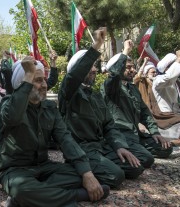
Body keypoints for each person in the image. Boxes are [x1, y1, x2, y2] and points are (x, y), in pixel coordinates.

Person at [0, 55, 110, 207]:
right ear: (24, 84)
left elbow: (65, 138)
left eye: (43, 79)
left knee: (84, 175)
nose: (44, 85)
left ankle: (31, 198)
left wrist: (86, 174)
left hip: (45, 167)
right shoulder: (8, 104)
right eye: (37, 80)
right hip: (15, 170)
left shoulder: (49, 108)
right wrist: (28, 73)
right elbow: (13, 117)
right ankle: (76, 196)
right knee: (22, 189)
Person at [59, 28, 142, 186]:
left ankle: (99, 167)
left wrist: (119, 146)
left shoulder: (95, 95)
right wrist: (96, 45)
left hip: (102, 146)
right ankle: (77, 169)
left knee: (137, 166)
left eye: (95, 67)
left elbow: (109, 125)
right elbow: (73, 76)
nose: (95, 70)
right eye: (90, 67)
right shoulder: (68, 92)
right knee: (116, 176)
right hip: (82, 150)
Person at [102, 40, 172, 168]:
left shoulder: (132, 87)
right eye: (128, 68)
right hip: (121, 135)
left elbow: (144, 111)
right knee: (146, 159)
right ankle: (113, 153)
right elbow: (114, 75)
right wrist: (125, 51)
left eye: (133, 67)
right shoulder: (111, 87)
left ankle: (136, 150)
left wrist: (154, 132)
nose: (133, 70)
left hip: (135, 134)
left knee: (166, 148)